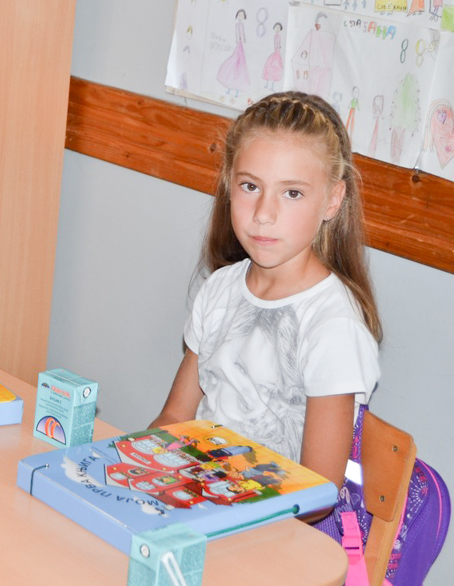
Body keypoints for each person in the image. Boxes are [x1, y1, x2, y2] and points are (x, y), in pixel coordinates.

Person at [150, 91, 381, 502]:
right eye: (250, 186)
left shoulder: (332, 326)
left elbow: (316, 492)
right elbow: (174, 417)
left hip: (272, 521)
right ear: (229, 184)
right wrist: (138, 470)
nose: (263, 213)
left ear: (332, 200)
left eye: (291, 193)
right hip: (195, 496)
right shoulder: (220, 288)